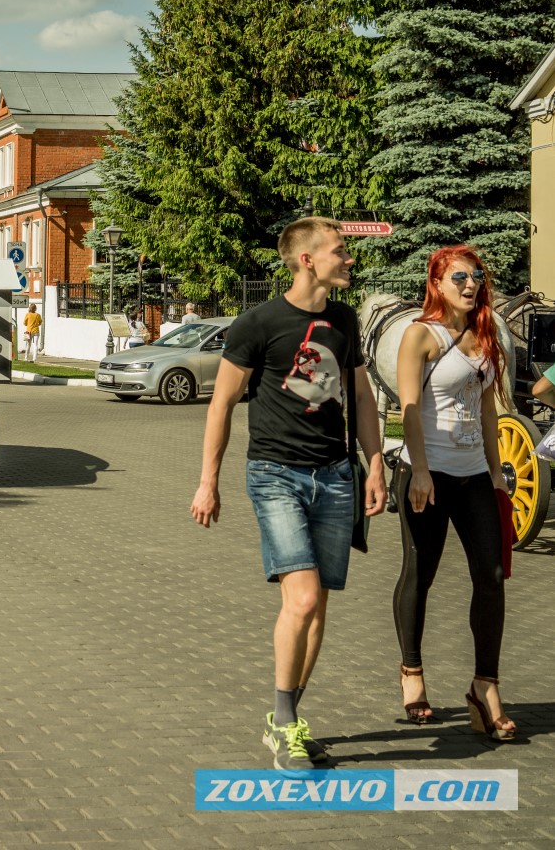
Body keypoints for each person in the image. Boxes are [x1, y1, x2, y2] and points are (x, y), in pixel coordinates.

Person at [190, 217, 384, 772]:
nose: (348, 259)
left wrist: (373, 466)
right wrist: (209, 482)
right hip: (276, 473)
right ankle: (284, 720)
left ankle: (287, 724)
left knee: (317, 604)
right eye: (340, 252)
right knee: (300, 600)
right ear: (307, 260)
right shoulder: (259, 323)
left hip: (335, 474)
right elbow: (221, 404)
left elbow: (362, 398)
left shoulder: (344, 320)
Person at [392, 246, 515, 740]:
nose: (470, 284)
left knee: (491, 576)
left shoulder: (485, 337)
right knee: (420, 573)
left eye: (476, 276)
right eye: (459, 276)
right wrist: (420, 470)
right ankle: (412, 673)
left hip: (474, 478)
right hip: (427, 475)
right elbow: (408, 407)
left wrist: (497, 471)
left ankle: (484, 686)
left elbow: (487, 411)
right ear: (437, 284)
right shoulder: (421, 335)